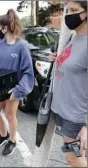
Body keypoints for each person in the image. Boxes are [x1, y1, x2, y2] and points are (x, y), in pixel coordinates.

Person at [0, 9, 34, 156]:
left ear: (6, 28)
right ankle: (4, 135)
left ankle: (12, 141)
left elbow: (28, 73)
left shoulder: (21, 46)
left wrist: (18, 90)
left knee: (10, 116)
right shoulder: (0, 46)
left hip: (14, 89)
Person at [49, 1, 87, 167]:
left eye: (74, 10)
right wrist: (58, 58)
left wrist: (86, 125)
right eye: (67, 10)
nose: (68, 14)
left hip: (77, 117)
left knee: (74, 159)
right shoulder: (73, 36)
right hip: (64, 110)